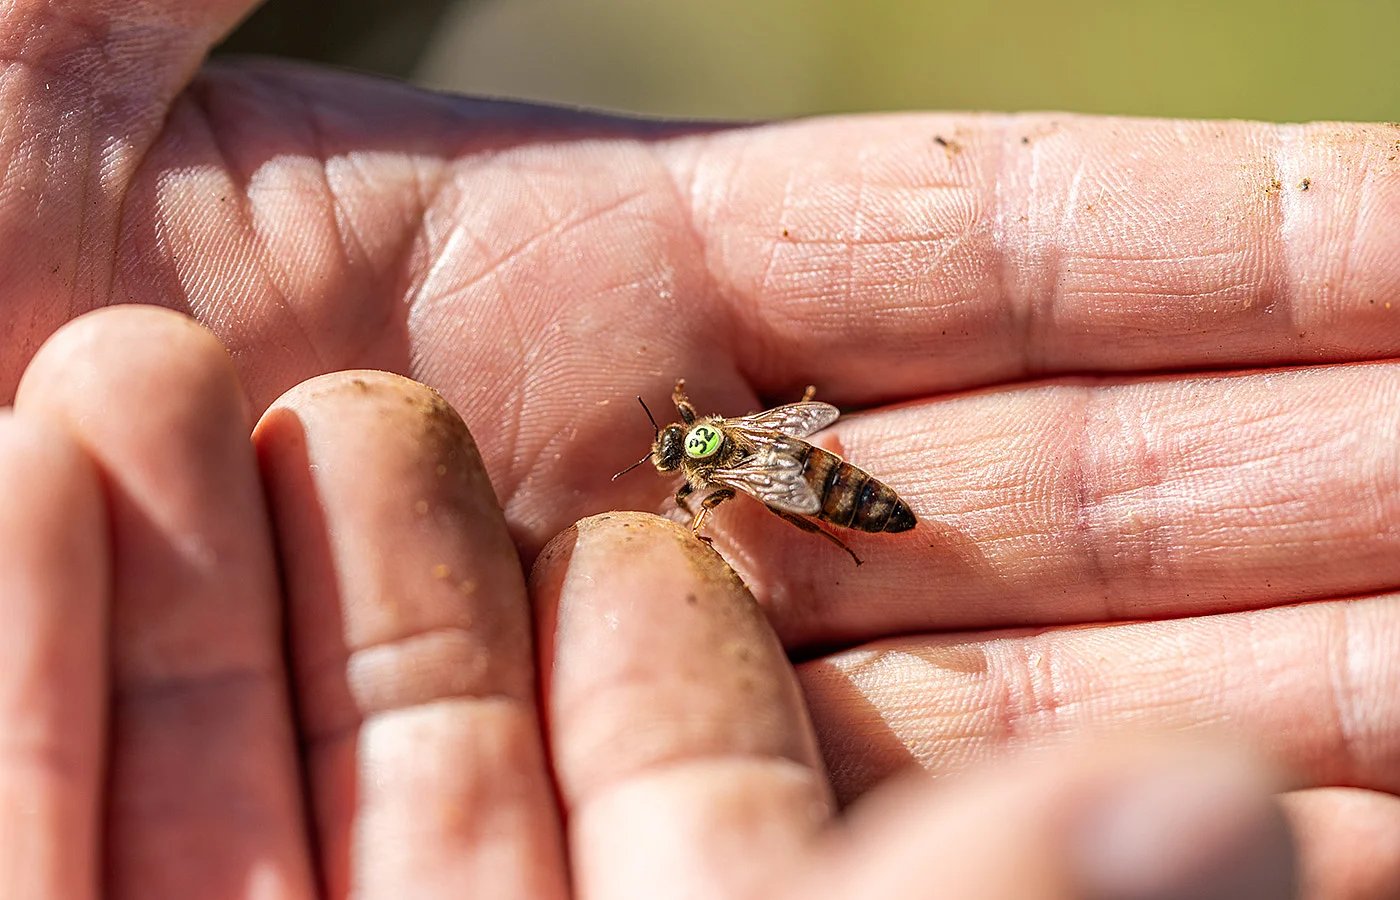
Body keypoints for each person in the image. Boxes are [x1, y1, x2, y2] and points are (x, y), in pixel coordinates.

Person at [1, 2, 1396, 897]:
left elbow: (771, 466)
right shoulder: (749, 454)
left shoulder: (732, 468)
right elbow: (786, 451)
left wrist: (759, 499)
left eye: (691, 455)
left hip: (821, 492)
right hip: (820, 482)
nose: (692, 463)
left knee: (816, 501)